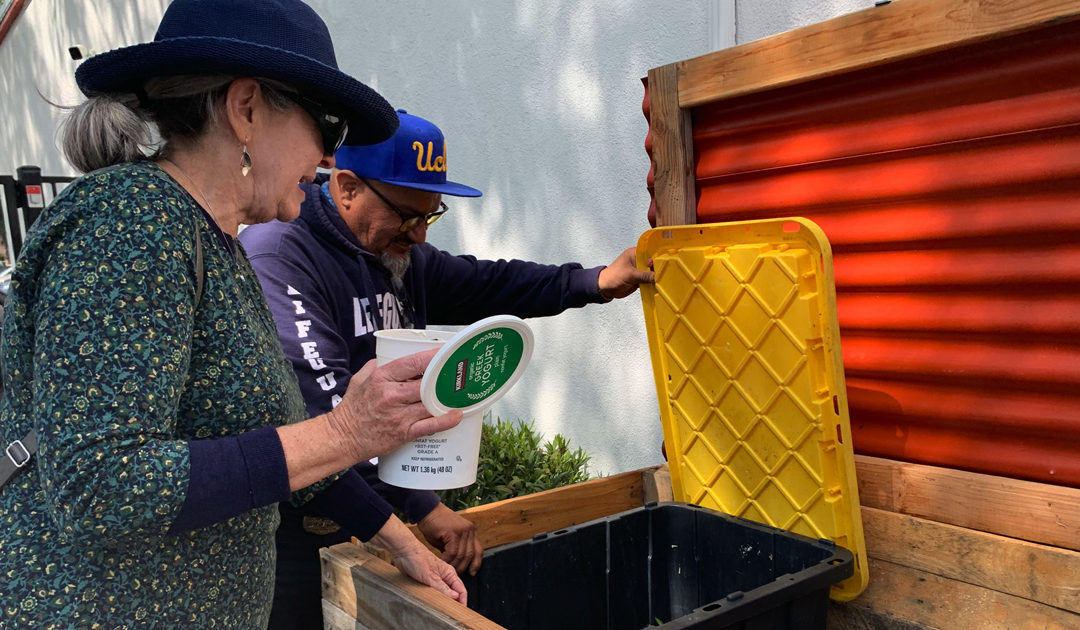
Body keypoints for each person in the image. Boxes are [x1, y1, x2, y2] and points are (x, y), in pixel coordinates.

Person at [0, 1, 469, 627]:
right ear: (245, 109)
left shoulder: (211, 242)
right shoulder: (130, 221)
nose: (331, 161)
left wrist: (402, 541)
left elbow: (281, 451)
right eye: (329, 129)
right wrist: (346, 432)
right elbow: (98, 485)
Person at [239, 110, 655, 628]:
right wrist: (421, 507)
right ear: (347, 188)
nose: (418, 237)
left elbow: (488, 284)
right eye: (407, 216)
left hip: (368, 516)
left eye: (429, 217)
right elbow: (321, 419)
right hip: (293, 530)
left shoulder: (394, 254)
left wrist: (593, 282)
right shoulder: (281, 256)